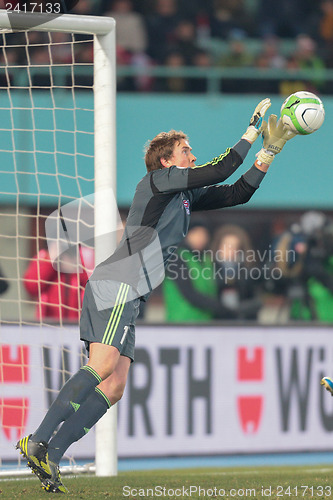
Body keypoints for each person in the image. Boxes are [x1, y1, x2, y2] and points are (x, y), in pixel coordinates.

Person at [16, 98, 296, 493]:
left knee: (115, 385)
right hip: (119, 282)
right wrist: (251, 131)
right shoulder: (155, 183)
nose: (193, 156)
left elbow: (237, 193)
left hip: (133, 290)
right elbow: (222, 167)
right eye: (186, 151)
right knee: (104, 364)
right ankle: (38, 439)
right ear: (167, 161)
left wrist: (270, 150)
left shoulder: (182, 197)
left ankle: (53, 455)